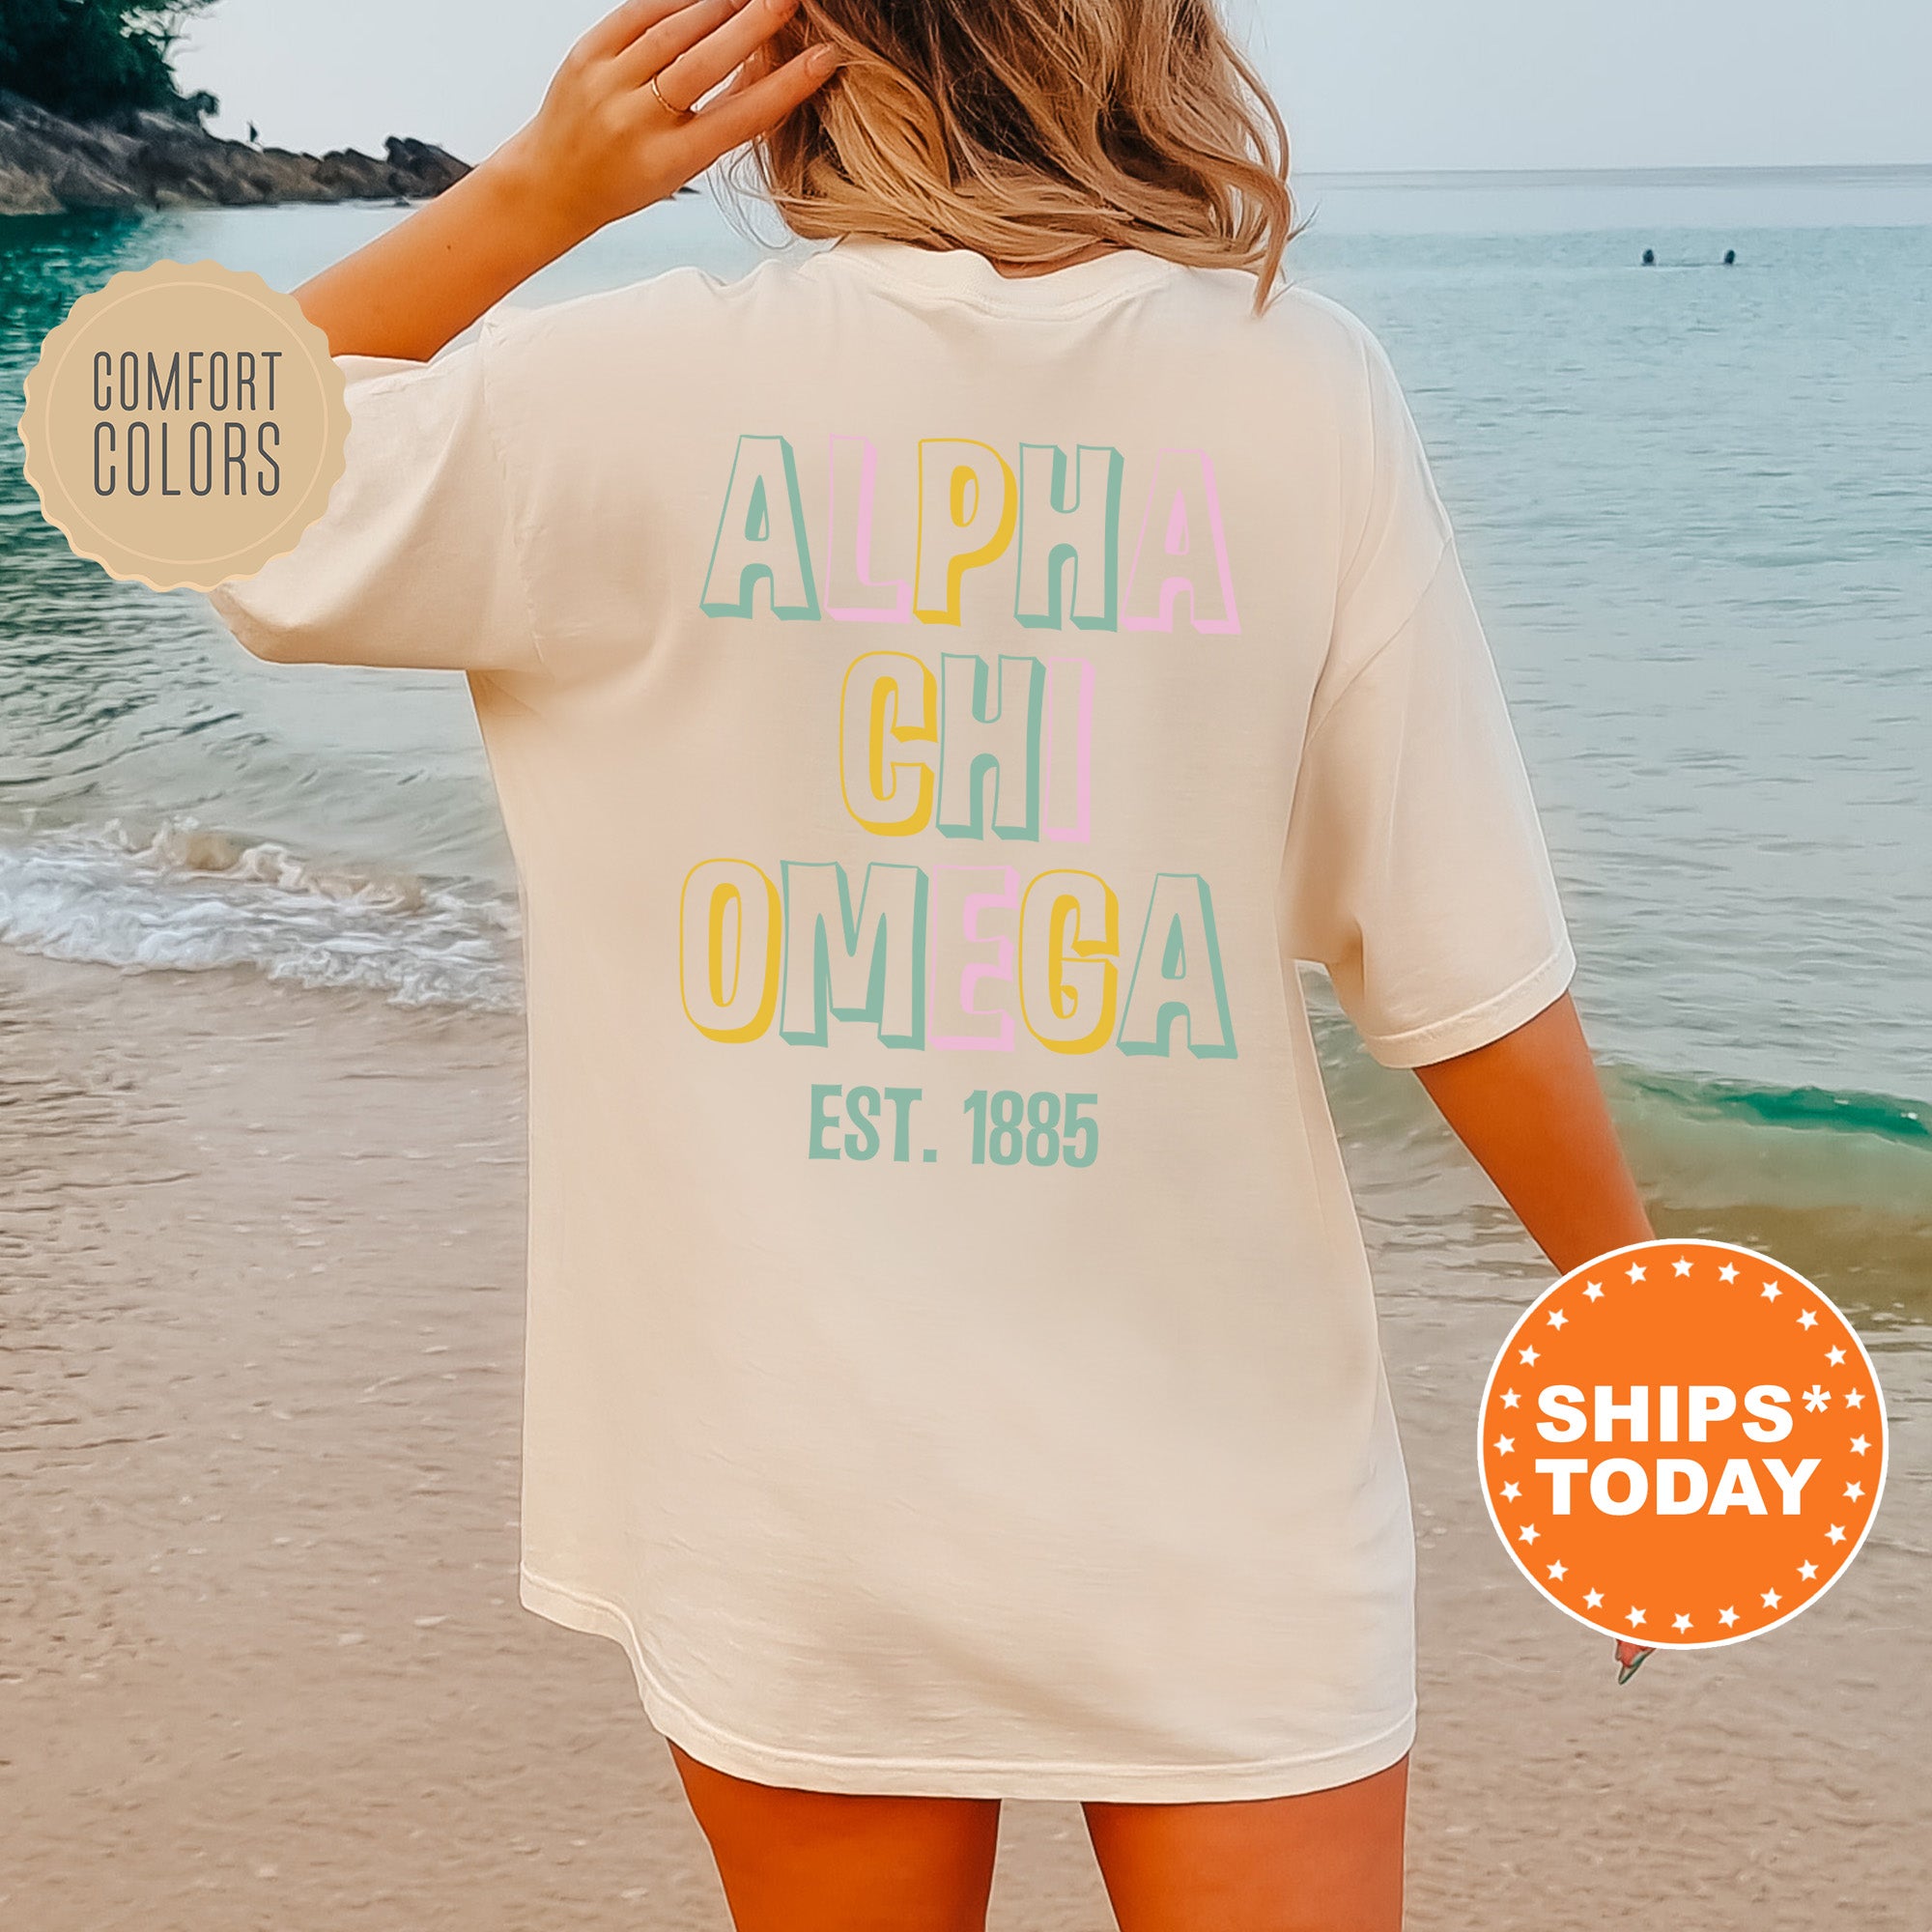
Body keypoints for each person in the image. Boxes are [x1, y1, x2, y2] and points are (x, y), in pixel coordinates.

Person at [207, 0, 1653, 1925]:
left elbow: (150, 448)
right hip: (1220, 1502)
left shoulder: (622, 392)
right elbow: (1455, 956)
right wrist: (1639, 1348)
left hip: (791, 1490)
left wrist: (534, 193)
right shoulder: (1297, 389)